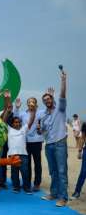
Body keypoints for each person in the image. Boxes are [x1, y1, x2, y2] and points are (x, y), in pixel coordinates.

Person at [37, 71, 68, 207]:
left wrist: (63, 81)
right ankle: (53, 193)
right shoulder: (44, 115)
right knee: (53, 171)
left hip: (60, 144)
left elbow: (62, 95)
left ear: (52, 99)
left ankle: (63, 197)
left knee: (61, 171)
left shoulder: (60, 109)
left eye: (49, 98)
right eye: (45, 100)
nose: (47, 101)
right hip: (48, 145)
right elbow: (43, 131)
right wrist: (40, 130)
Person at [2, 92, 36, 194]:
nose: (17, 123)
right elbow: (3, 121)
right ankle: (16, 187)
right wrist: (8, 110)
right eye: (15, 122)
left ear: (20, 123)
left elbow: (31, 120)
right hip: (12, 155)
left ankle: (26, 188)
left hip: (23, 155)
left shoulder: (23, 129)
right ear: (12, 123)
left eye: (18, 122)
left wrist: (33, 110)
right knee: (14, 173)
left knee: (25, 172)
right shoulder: (9, 129)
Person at [14, 97, 45, 191]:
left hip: (37, 141)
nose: (31, 103)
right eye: (29, 102)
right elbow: (15, 117)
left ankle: (36, 183)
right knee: (27, 164)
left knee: (37, 163)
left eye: (33, 102)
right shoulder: (23, 113)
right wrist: (17, 107)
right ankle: (27, 182)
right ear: (27, 104)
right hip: (26, 142)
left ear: (36, 104)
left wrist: (41, 128)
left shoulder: (40, 112)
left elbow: (47, 116)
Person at [70, 122, 86, 200]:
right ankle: (77, 192)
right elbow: (82, 138)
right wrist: (80, 151)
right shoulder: (85, 124)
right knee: (83, 172)